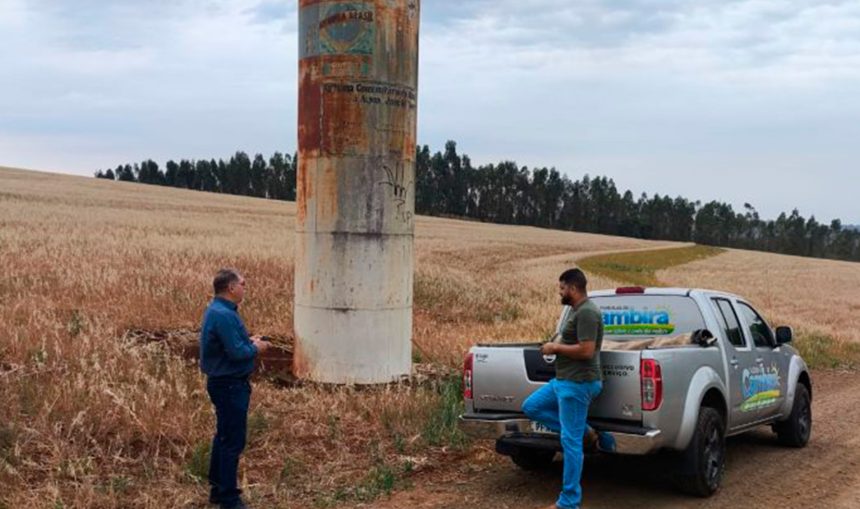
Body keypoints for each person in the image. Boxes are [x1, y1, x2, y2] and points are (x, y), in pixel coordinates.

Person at [522, 268, 604, 509]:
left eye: (562, 288)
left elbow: (587, 351)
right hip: (563, 381)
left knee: (570, 442)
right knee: (532, 407)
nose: (560, 292)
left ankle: (569, 502)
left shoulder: (587, 312)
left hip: (578, 384)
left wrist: (555, 348)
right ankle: (585, 431)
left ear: (573, 288)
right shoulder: (576, 311)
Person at [199, 268, 270, 509]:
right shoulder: (225, 315)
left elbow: (229, 345)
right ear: (231, 288)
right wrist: (257, 348)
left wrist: (248, 341)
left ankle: (217, 490)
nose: (244, 288)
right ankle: (229, 499)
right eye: (243, 283)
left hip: (223, 383)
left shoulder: (217, 310)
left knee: (223, 436)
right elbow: (237, 353)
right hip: (230, 385)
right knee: (232, 441)